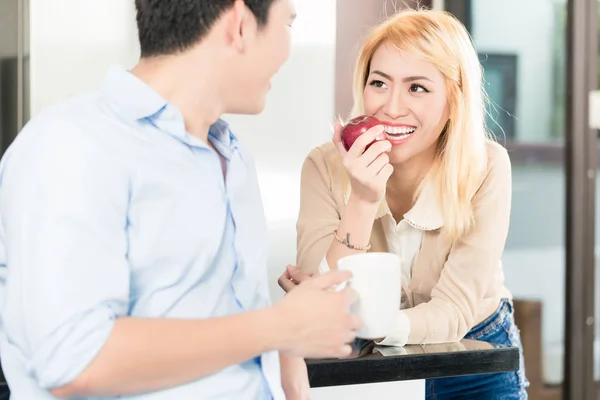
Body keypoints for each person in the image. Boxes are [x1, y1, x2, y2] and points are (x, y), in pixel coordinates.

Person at [0, 0, 362, 399]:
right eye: (288, 24)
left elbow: (242, 336)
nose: (287, 51)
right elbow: (75, 360)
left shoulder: (232, 154)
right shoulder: (71, 145)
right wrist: (278, 326)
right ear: (240, 24)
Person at [279, 8, 529, 399]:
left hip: (474, 352)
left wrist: (369, 322)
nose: (392, 107)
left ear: (454, 100)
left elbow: (453, 311)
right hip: (371, 361)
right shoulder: (324, 167)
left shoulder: (486, 167)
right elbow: (322, 304)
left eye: (417, 88)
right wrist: (362, 200)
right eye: (379, 83)